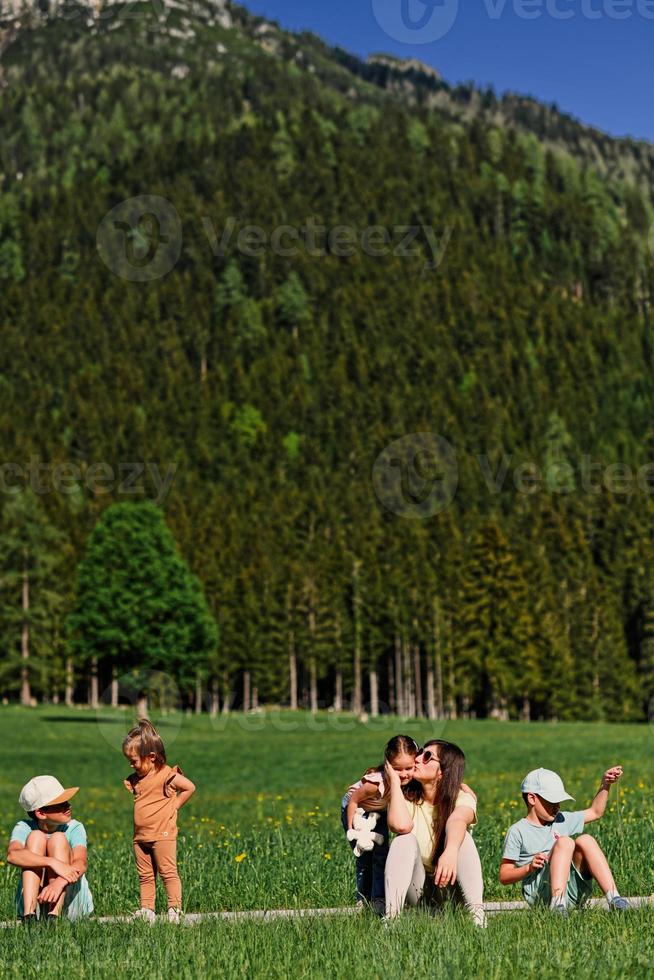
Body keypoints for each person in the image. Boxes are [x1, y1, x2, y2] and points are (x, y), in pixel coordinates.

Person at [499, 766, 630, 916]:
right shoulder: (517, 831)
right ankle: (557, 904)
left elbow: (595, 812)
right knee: (565, 842)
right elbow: (504, 876)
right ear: (532, 798)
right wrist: (529, 868)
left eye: (559, 802)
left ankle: (614, 897)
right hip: (542, 895)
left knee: (586, 840)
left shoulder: (561, 819)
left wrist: (605, 784)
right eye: (551, 802)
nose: (557, 807)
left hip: (572, 890)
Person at [385, 739, 485, 926]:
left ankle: (478, 918)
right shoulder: (404, 796)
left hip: (451, 889)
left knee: (463, 838)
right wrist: (394, 783)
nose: (418, 758)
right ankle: (391, 920)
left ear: (442, 772)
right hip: (420, 892)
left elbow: (458, 819)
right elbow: (400, 826)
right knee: (403, 840)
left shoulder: (461, 797)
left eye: (428, 756)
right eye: (421, 751)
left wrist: (450, 851)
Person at [123, 719, 196, 923]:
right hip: (140, 836)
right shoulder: (138, 778)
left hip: (162, 834)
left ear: (151, 757)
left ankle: (174, 909)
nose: (131, 765)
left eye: (134, 760)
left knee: (168, 873)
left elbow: (189, 787)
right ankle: (147, 910)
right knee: (145, 876)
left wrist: (175, 805)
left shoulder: (167, 776)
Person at [342, 734, 419, 913]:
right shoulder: (376, 784)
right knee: (363, 856)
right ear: (387, 766)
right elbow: (353, 799)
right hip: (357, 811)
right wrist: (352, 827)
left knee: (381, 856)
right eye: (397, 769)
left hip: (380, 811)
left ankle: (378, 899)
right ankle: (362, 899)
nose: (404, 774)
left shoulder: (409, 780)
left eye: (409, 768)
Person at [6, 775, 93, 924]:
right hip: (38, 900)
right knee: (35, 837)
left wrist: (59, 882)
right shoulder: (25, 827)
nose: (68, 806)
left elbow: (81, 863)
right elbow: (13, 855)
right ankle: (29, 916)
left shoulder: (74, 827)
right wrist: (51, 862)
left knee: (58, 838)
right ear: (41, 813)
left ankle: (55, 916)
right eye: (60, 803)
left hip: (70, 903)